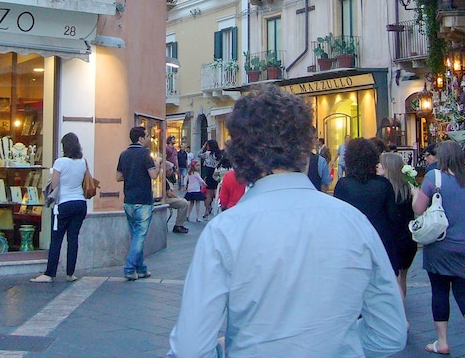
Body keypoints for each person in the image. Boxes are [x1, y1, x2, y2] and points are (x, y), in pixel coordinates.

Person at [168, 85, 406, 357]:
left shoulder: (224, 232)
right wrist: (342, 345)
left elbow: (190, 349)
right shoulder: (354, 222)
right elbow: (390, 333)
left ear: (242, 155)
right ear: (305, 150)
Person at [413, 140, 465, 358]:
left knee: (439, 292)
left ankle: (442, 341)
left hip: (440, 246)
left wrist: (415, 195)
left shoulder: (433, 178)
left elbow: (419, 209)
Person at [334, 138, 399, 274]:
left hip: (353, 244)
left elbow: (338, 220)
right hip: (380, 241)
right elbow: (392, 218)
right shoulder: (383, 184)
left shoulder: (343, 185)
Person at [31, 133, 89, 283]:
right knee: (73, 239)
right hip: (80, 203)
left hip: (64, 204)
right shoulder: (83, 162)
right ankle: (70, 273)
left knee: (56, 239)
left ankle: (49, 273)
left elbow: (55, 185)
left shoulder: (60, 162)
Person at [116, 126, 159, 281]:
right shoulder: (145, 154)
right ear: (140, 138)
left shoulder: (124, 154)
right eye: (147, 135)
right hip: (143, 200)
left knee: (135, 235)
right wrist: (158, 164)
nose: (148, 138)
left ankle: (141, 268)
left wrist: (130, 173)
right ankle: (129, 268)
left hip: (129, 200)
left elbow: (118, 177)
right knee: (139, 236)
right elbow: (153, 175)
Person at [381, 152, 418, 300]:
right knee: (402, 278)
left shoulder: (385, 190)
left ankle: (400, 312)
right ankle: (402, 306)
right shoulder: (408, 189)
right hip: (408, 239)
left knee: (394, 279)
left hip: (393, 240)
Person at [163, 161, 190, 234]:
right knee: (184, 203)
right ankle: (179, 225)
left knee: (183, 202)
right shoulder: (163, 180)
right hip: (165, 199)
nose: (171, 172)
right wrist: (178, 197)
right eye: (170, 170)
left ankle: (179, 224)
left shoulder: (164, 179)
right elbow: (169, 193)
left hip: (164, 198)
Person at [198, 140, 221, 220]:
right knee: (216, 192)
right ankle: (217, 208)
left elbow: (199, 155)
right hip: (216, 174)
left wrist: (203, 147)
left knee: (208, 194)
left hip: (209, 174)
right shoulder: (218, 154)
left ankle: (206, 210)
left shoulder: (207, 154)